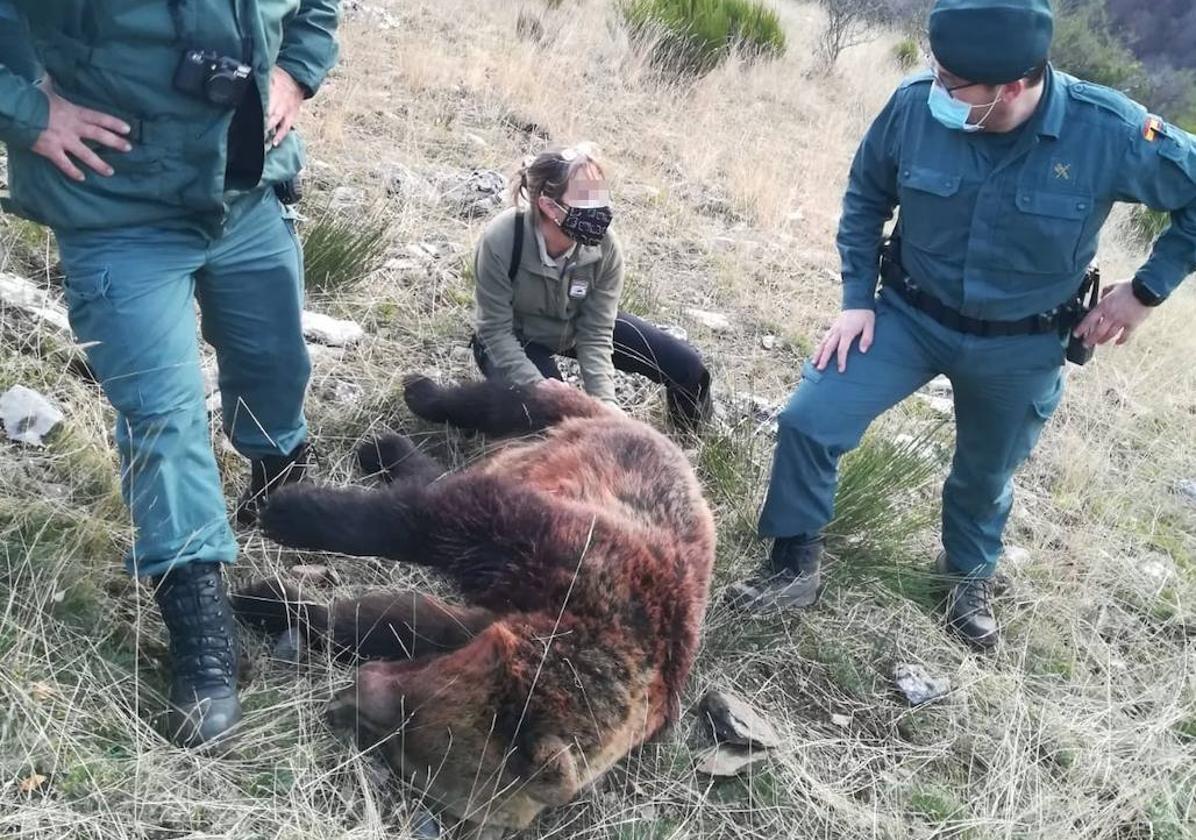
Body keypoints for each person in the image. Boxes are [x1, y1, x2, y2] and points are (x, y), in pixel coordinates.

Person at [730, 0, 1196, 649]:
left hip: (1022, 341)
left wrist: (1144, 294)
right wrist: (856, 298)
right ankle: (792, 565)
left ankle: (963, 582)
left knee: (985, 474)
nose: (937, 91)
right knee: (811, 417)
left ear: (1014, 86)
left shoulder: (1106, 130)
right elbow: (866, 194)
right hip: (908, 314)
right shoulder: (913, 106)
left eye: (954, 84)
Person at [0, 1, 341, 744]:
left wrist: (295, 75)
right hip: (115, 208)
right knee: (163, 416)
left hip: (246, 193)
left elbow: (315, 7)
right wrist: (28, 111)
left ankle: (277, 490)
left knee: (275, 368)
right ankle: (201, 635)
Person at [470, 144, 712, 430]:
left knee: (688, 368)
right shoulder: (503, 239)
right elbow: (494, 331)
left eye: (601, 193)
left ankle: (686, 446)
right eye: (587, 198)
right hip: (515, 338)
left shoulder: (605, 246)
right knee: (555, 420)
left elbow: (596, 331)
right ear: (549, 205)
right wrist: (537, 385)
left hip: (573, 329)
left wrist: (604, 402)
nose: (600, 209)